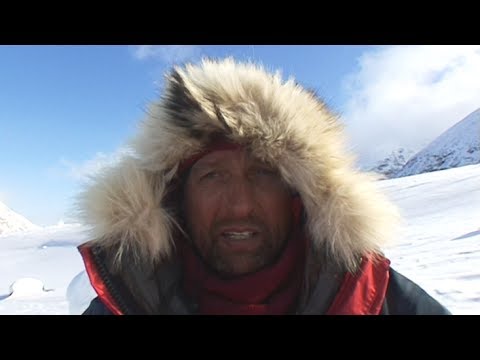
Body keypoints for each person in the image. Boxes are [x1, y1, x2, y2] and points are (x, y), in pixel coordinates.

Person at [76, 57, 451, 315]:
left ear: (298, 197)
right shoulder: (126, 298)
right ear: (175, 199)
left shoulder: (375, 296)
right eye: (212, 176)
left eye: (263, 174)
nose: (240, 205)